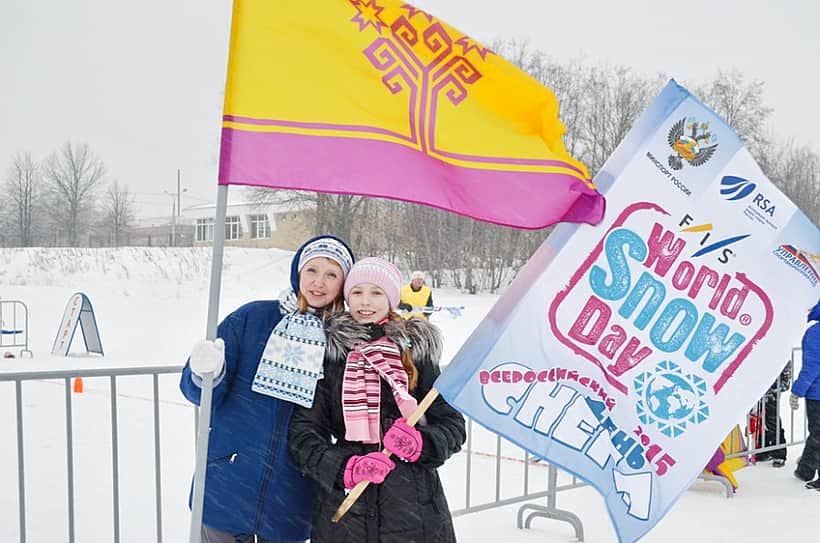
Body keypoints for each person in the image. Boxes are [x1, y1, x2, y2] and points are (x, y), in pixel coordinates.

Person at [179, 235, 355, 543]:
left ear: (343, 283)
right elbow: (200, 394)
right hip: (228, 481)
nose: (319, 283)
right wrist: (206, 373)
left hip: (292, 493)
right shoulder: (252, 319)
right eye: (312, 270)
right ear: (297, 273)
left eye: (332, 274)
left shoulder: (343, 343)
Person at [288, 257, 465, 542]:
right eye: (357, 292)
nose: (365, 302)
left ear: (392, 298)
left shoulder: (414, 352)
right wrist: (344, 468)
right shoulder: (332, 356)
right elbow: (304, 433)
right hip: (346, 517)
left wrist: (422, 443)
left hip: (415, 512)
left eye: (376, 292)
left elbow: (453, 425)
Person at [790, 299, 820, 490]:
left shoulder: (816, 332)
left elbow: (812, 366)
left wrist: (797, 391)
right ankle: (805, 469)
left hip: (817, 394)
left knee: (818, 433)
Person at [752, 363, 791, 467]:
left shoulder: (780, 350)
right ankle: (762, 449)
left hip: (773, 388)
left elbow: (786, 367)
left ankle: (779, 452)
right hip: (759, 386)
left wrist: (783, 383)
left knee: (772, 419)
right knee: (760, 419)